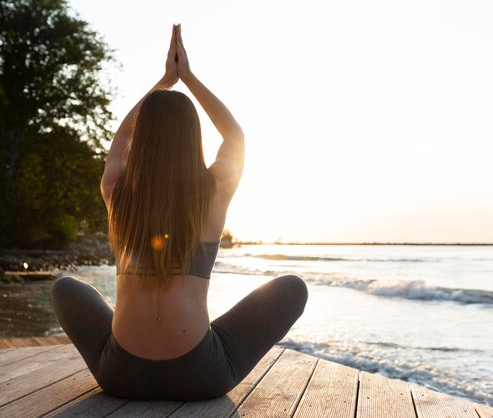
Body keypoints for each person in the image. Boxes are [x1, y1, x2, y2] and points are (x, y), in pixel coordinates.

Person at [50, 24, 308, 401]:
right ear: (193, 138)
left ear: (144, 139)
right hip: (200, 376)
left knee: (64, 288)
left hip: (120, 375)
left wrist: (164, 82)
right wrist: (188, 77)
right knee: (293, 289)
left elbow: (121, 140)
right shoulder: (213, 192)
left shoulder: (118, 194)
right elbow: (235, 137)